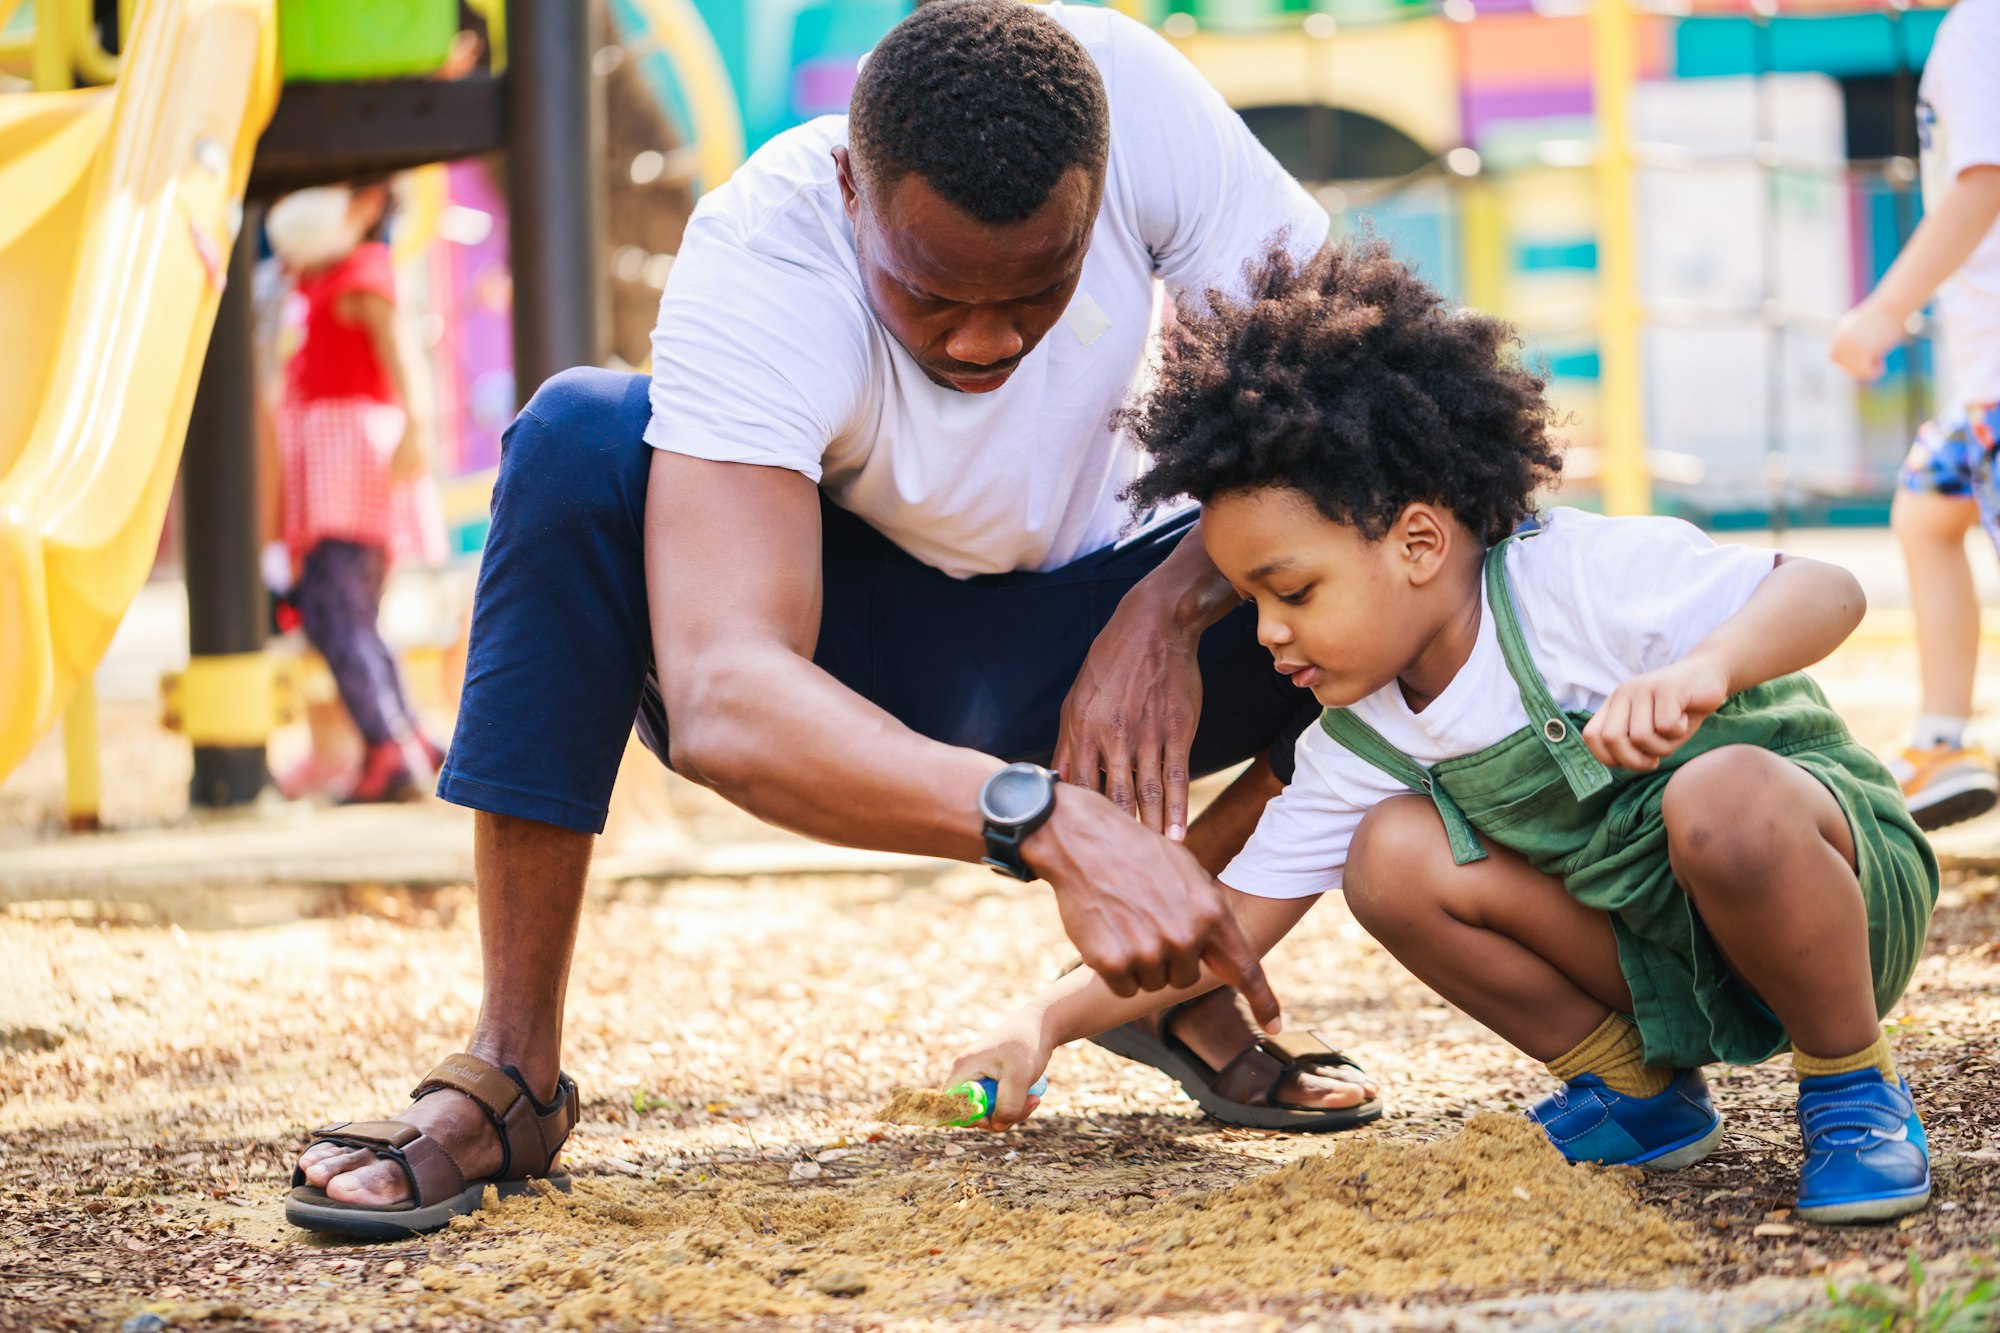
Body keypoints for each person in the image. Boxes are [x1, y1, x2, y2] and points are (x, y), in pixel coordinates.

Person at [287, 1, 1381, 1238]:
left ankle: (1178, 972)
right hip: (866, 667)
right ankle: (515, 1071)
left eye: (1037, 287)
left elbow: (1331, 387)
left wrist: (1168, 610)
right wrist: (1049, 824)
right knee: (576, 436)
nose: (984, 339)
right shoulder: (765, 249)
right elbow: (723, 691)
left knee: (1410, 499)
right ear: (854, 188)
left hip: (1125, 621)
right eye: (931, 294)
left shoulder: (1131, 95)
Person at [953, 239, 1939, 1226]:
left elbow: (1826, 587)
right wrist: (1039, 1021)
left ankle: (1850, 1087)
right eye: (1248, 599)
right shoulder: (1359, 736)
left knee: (1717, 796)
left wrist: (1704, 668)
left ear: (1418, 542)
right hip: (1665, 959)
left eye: (1290, 590)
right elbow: (1221, 930)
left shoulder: (1569, 579)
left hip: (1839, 903)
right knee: (1388, 856)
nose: (1266, 631)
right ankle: (1634, 1091)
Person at [1830, 0, 2000, 831]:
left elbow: (1983, 183)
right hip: (1978, 390)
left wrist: (1885, 309)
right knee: (1927, 511)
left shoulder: (1979, 32)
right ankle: (1943, 737)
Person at [264, 180, 448, 804]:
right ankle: (407, 738)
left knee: (336, 609)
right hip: (328, 458)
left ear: (369, 204)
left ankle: (388, 744)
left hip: (349, 461)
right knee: (351, 615)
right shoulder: (317, 272)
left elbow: (400, 351)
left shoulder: (363, 270)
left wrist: (420, 425)